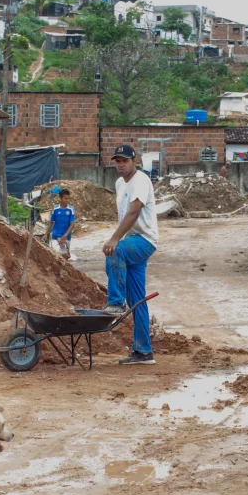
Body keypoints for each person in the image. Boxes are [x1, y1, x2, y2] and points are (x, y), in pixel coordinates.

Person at [103, 144, 158, 365]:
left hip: (144, 241)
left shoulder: (141, 180)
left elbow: (134, 211)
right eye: (117, 161)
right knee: (137, 300)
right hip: (133, 241)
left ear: (134, 161)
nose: (121, 164)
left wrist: (115, 238)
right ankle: (143, 352)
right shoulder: (119, 183)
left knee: (115, 251)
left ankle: (115, 302)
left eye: (124, 160)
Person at [46, 188, 75, 259]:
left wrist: (65, 236)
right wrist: (46, 234)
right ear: (60, 198)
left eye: (68, 198)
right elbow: (51, 222)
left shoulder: (71, 209)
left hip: (66, 236)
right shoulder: (55, 209)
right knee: (57, 254)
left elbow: (72, 224)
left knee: (66, 256)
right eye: (65, 198)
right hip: (55, 236)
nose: (67, 200)